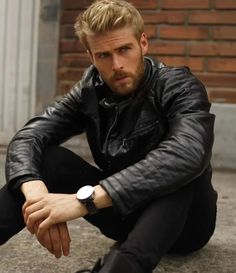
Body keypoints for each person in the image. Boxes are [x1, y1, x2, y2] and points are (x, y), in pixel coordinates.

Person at [0, 0, 218, 272]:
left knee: (182, 170)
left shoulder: (178, 86)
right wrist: (36, 197)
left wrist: (84, 201)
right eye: (104, 55)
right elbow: (29, 137)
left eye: (124, 49)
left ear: (143, 43)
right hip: (124, 216)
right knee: (48, 159)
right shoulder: (89, 91)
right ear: (91, 56)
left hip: (186, 227)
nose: (117, 65)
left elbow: (188, 152)